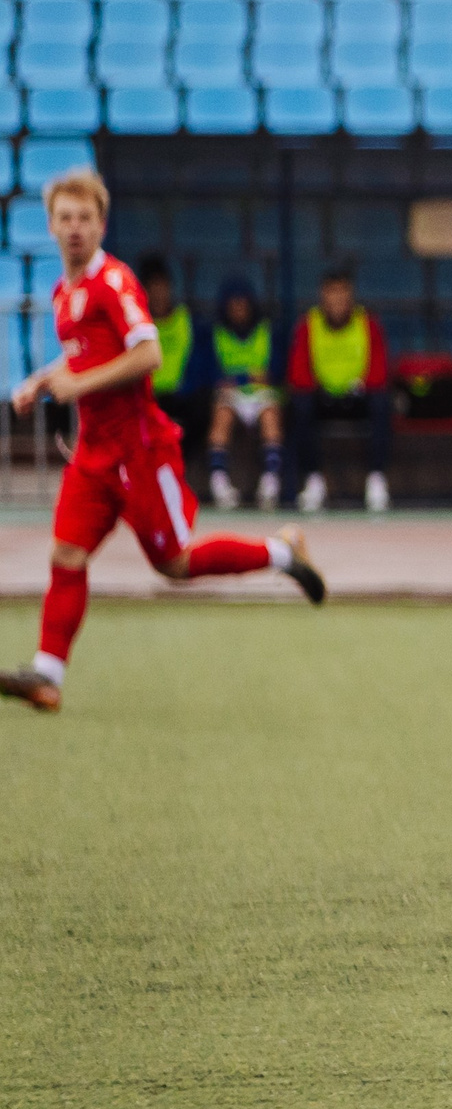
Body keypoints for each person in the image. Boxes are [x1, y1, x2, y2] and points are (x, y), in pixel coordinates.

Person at [0, 170, 323, 714]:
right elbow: (83, 356)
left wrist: (76, 385)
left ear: (102, 225)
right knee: (67, 553)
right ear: (51, 226)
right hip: (95, 456)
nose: (75, 228)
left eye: (85, 218)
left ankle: (281, 551)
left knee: (174, 564)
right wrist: (41, 379)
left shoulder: (115, 283)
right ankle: (46, 674)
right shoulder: (63, 291)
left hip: (140, 453)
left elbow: (149, 354)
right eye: (65, 218)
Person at [286, 262, 392, 515]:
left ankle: (376, 480)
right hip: (322, 397)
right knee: (299, 405)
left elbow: (379, 369)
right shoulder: (307, 324)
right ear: (323, 295)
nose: (337, 299)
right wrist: (319, 386)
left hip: (357, 396)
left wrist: (360, 385)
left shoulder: (368, 323)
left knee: (382, 402)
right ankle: (314, 481)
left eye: (343, 292)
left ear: (351, 294)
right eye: (331, 292)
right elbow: (297, 371)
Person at [205, 277, 284, 511]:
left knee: (271, 417)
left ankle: (270, 484)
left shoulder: (266, 330)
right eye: (233, 305)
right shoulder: (217, 332)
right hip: (231, 397)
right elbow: (211, 373)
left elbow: (276, 371)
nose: (238, 310)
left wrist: (258, 377)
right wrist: (241, 378)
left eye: (242, 304)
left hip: (261, 395)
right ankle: (219, 485)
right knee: (221, 418)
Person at [135, 256, 211, 464]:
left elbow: (200, 364)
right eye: (153, 287)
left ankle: (177, 464)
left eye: (163, 286)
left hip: (181, 396)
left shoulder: (188, 320)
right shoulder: (137, 324)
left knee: (201, 407)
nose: (159, 293)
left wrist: (186, 387)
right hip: (148, 396)